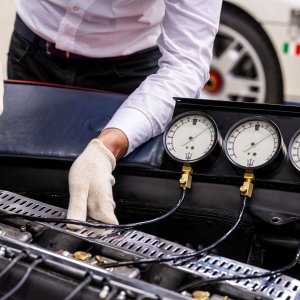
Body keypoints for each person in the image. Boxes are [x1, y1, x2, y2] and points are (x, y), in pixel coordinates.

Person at [8, 0, 223, 229]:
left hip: (129, 73)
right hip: (32, 48)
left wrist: (107, 148)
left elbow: (185, 66)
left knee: (104, 205)